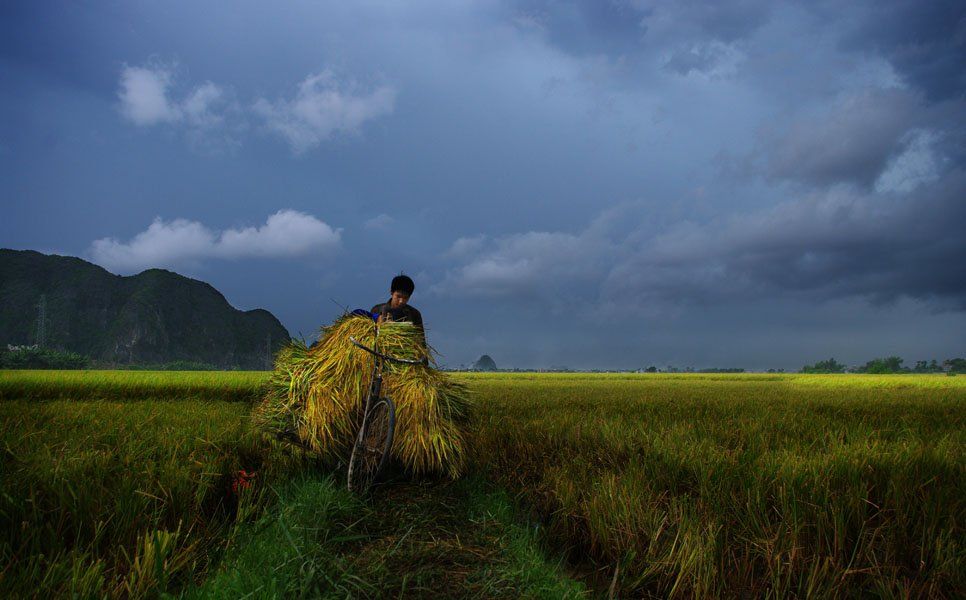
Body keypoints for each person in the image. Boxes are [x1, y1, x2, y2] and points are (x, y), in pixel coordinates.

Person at [370, 274, 429, 361]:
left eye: (405, 298)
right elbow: (370, 338)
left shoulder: (414, 314)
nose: (401, 301)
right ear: (391, 292)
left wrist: (424, 364)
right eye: (398, 296)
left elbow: (421, 342)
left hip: (406, 360)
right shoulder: (377, 310)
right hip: (381, 358)